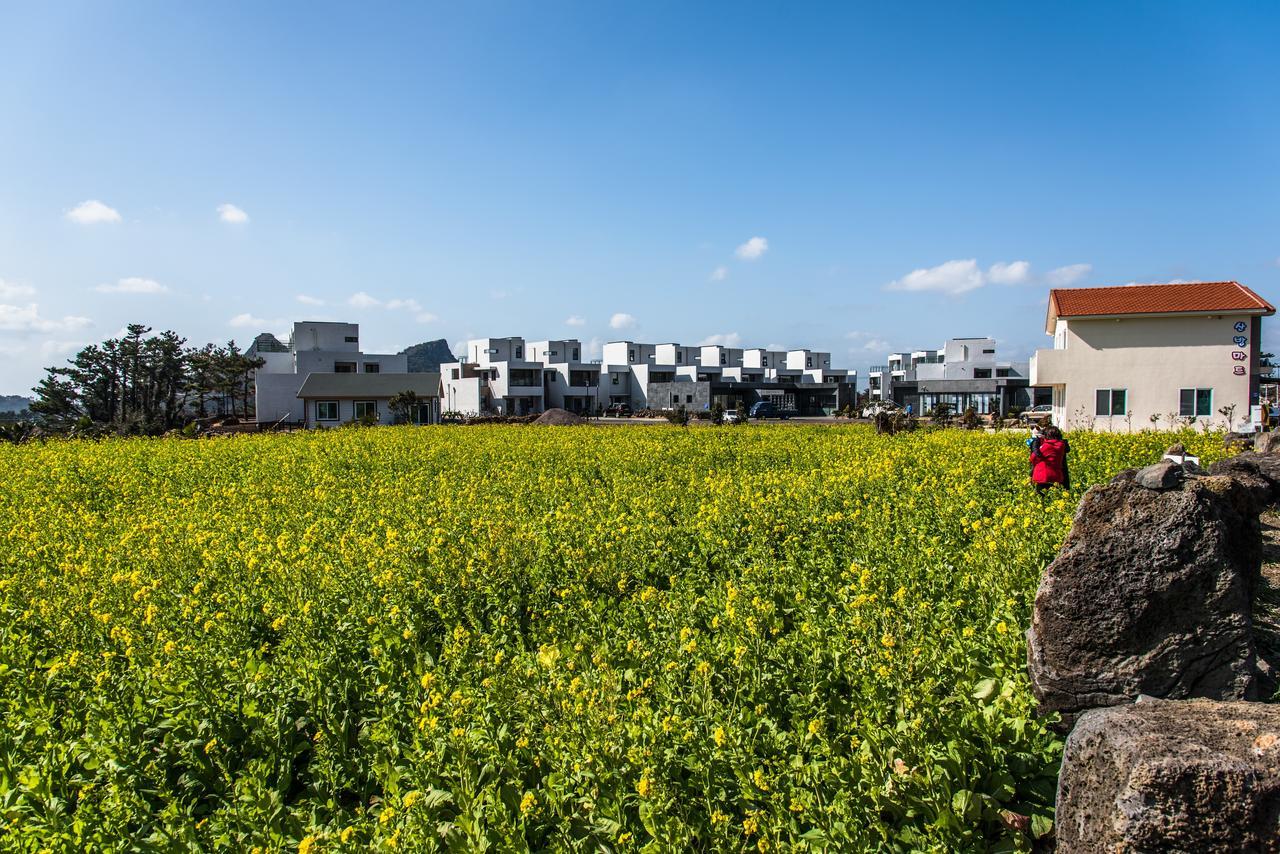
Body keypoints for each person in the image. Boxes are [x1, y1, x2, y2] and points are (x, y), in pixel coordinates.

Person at [1030, 425, 1068, 494]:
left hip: (1043, 477)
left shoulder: (1047, 446)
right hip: (1056, 477)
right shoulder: (1062, 445)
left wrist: (1036, 443)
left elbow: (1034, 458)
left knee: (1041, 499)